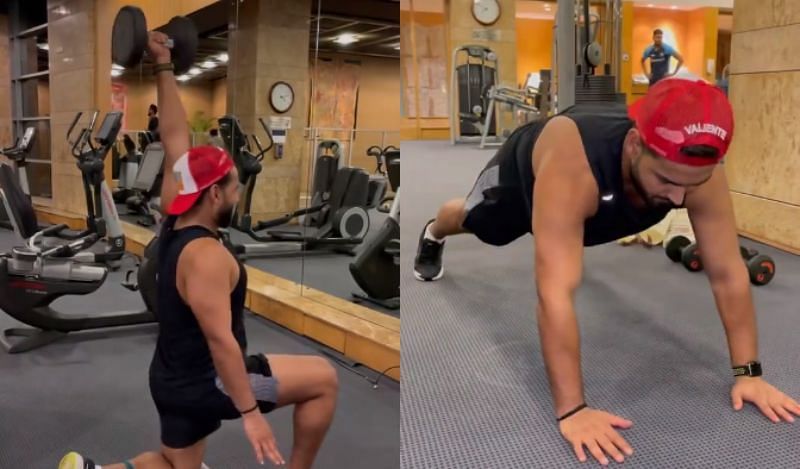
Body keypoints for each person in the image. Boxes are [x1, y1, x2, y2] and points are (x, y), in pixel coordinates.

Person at [413, 78, 800, 466]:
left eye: (692, 184)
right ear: (634, 145)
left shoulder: (696, 171)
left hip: (599, 201)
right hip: (526, 178)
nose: (680, 200)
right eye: (666, 179)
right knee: (477, 222)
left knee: (668, 196)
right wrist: (573, 411)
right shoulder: (573, 169)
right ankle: (433, 231)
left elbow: (728, 272)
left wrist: (749, 374)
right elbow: (555, 295)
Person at [60, 30, 338, 469]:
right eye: (233, 188)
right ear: (213, 196)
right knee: (323, 379)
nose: (237, 195)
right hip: (209, 383)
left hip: (170, 375)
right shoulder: (207, 257)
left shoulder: (173, 214)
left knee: (178, 466)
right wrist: (251, 416)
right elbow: (220, 340)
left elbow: (173, 136)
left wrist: (163, 63)